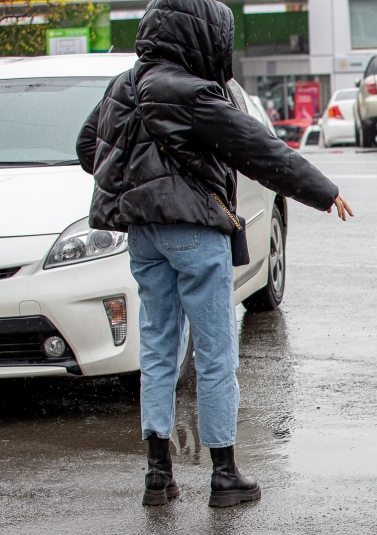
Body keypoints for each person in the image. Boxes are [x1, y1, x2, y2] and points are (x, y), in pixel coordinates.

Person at [76, 0, 353, 508]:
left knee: (158, 348)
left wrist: (142, 177)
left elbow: (88, 146)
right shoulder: (193, 92)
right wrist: (322, 189)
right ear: (197, 37)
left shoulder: (124, 85)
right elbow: (258, 148)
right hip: (193, 232)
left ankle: (158, 475)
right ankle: (225, 475)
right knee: (215, 351)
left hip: (143, 234)